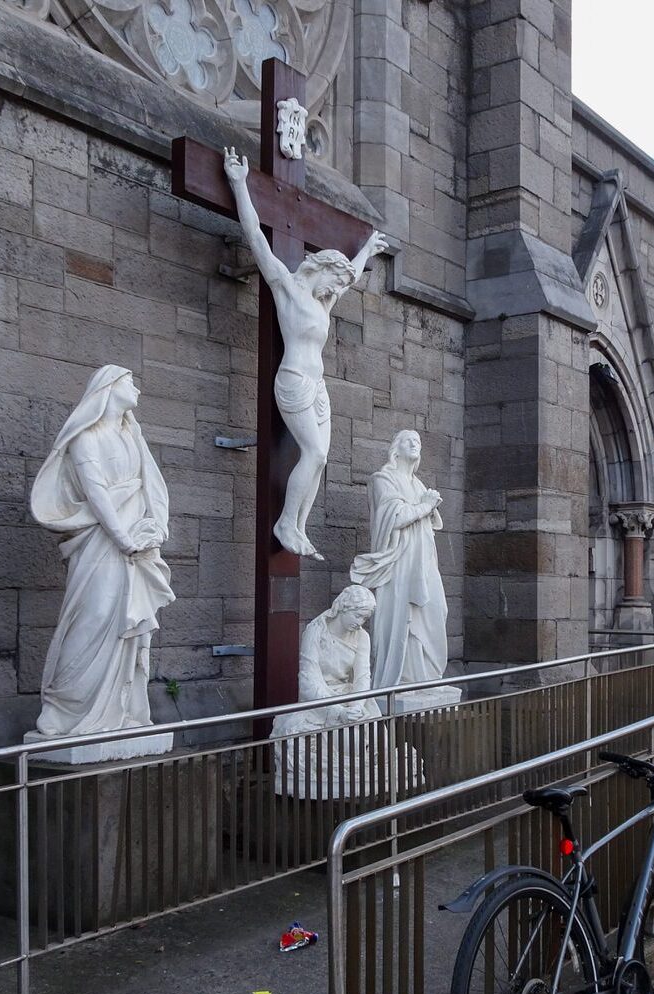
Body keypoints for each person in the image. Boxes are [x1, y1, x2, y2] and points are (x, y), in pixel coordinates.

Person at [223, 146, 389, 561]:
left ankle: (297, 526)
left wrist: (366, 251)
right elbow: (256, 237)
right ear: (320, 270)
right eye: (332, 283)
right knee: (312, 452)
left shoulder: (322, 301)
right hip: (294, 381)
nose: (334, 292)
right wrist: (239, 183)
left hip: (317, 387)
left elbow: (346, 284)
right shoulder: (287, 287)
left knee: (322, 458)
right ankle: (285, 522)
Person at [28, 365, 175, 741]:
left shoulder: (131, 433)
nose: (138, 389)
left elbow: (150, 485)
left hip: (135, 545)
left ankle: (121, 713)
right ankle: (65, 710)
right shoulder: (85, 438)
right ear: (110, 388)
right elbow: (96, 493)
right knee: (93, 616)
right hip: (101, 544)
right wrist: (124, 538)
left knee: (129, 625)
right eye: (131, 382)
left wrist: (155, 527)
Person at [350, 430, 448, 687]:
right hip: (400, 564)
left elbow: (430, 521)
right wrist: (426, 506)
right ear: (396, 448)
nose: (415, 444)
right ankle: (403, 680)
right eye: (408, 440)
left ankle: (427, 678)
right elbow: (396, 517)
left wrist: (430, 505)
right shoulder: (383, 479)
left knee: (437, 609)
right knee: (405, 618)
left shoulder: (418, 484)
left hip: (425, 561)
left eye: (418, 441)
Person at [271, 586, 382, 798]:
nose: (360, 622)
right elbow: (308, 679)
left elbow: (362, 677)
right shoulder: (315, 631)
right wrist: (337, 711)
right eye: (358, 615)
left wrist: (357, 705)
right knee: (297, 734)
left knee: (375, 737)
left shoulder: (362, 637)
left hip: (349, 696)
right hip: (319, 698)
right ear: (343, 607)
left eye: (365, 618)